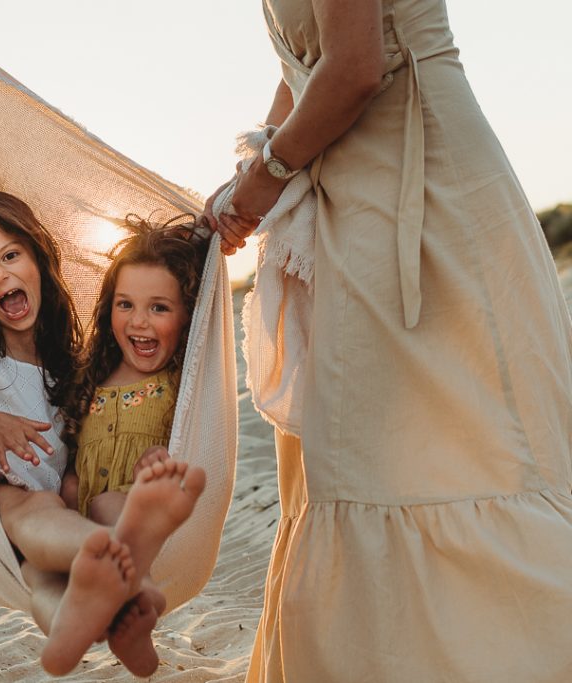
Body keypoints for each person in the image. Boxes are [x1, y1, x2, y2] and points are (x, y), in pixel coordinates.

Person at [203, 1, 572, 681]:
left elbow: (355, 69)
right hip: (353, 199)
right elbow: (305, 68)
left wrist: (264, 183)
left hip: (429, 190)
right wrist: (252, 167)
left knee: (459, 453)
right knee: (350, 458)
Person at [0, 187, 206, 677]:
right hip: (1, 499)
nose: (0, 275)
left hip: (60, 511)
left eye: (10, 255)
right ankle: (115, 559)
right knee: (33, 507)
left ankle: (111, 608)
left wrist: (212, 234)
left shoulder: (64, 359)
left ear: (38, 256)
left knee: (44, 583)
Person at [63, 220, 209, 524]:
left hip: (148, 514)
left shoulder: (182, 382)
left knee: (105, 505)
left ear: (188, 314)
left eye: (159, 308)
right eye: (125, 304)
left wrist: (161, 461)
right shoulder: (88, 377)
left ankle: (126, 564)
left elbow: (200, 450)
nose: (138, 321)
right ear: (108, 309)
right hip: (83, 529)